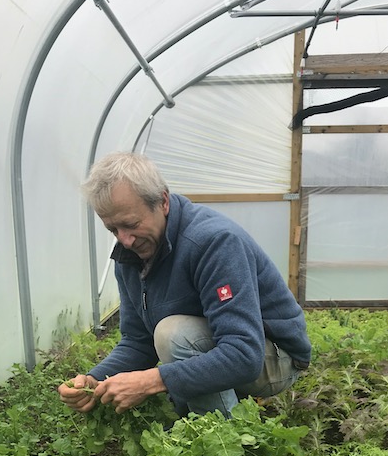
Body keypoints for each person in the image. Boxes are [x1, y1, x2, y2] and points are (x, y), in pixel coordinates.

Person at [58, 152, 311, 418]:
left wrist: (152, 381)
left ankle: (219, 441)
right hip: (220, 346)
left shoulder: (213, 242)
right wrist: (94, 380)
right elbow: (138, 342)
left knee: (173, 335)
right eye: (113, 230)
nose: (125, 240)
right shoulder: (130, 254)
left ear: (163, 202)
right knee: (171, 339)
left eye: (131, 224)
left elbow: (244, 354)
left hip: (274, 357)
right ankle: (197, 417)